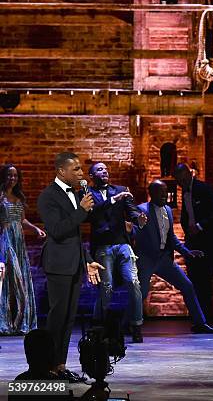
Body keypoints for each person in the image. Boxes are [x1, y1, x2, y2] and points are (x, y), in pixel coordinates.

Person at [37, 152, 104, 382]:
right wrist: (82, 210)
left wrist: (87, 259)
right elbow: (57, 230)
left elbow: (75, 234)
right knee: (57, 317)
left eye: (80, 169)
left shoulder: (76, 194)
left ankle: (60, 366)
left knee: (68, 318)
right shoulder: (48, 196)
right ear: (61, 171)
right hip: (58, 264)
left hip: (75, 262)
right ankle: (46, 367)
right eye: (75, 169)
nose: (81, 173)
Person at [133, 180, 213, 334]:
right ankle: (129, 325)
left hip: (164, 259)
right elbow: (135, 234)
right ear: (152, 193)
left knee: (187, 286)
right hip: (146, 259)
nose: (165, 195)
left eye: (166, 191)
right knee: (141, 292)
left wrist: (187, 252)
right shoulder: (141, 210)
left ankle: (200, 323)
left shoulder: (168, 210)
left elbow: (171, 238)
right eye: (161, 191)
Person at [87, 162, 147, 343]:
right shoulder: (87, 194)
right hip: (103, 246)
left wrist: (139, 219)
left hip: (122, 244)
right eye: (99, 169)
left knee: (133, 282)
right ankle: (99, 325)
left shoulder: (121, 189)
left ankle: (136, 326)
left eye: (105, 169)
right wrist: (113, 200)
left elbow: (131, 210)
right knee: (106, 286)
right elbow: (91, 214)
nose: (104, 171)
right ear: (91, 175)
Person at [174, 163, 213, 315]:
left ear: (189, 174)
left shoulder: (203, 188)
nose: (181, 183)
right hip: (194, 240)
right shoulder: (185, 191)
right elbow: (187, 215)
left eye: (183, 178)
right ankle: (199, 316)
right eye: (178, 181)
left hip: (209, 240)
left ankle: (205, 316)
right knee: (194, 279)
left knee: (206, 278)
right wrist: (188, 232)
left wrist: (200, 226)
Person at [0, 164, 46, 334]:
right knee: (9, 278)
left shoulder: (19, 198)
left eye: (15, 176)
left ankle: (19, 321)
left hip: (19, 239)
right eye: (9, 175)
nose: (12, 178)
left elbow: (22, 220)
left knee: (20, 279)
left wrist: (35, 229)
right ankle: (4, 321)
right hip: (5, 239)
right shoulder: (0, 197)